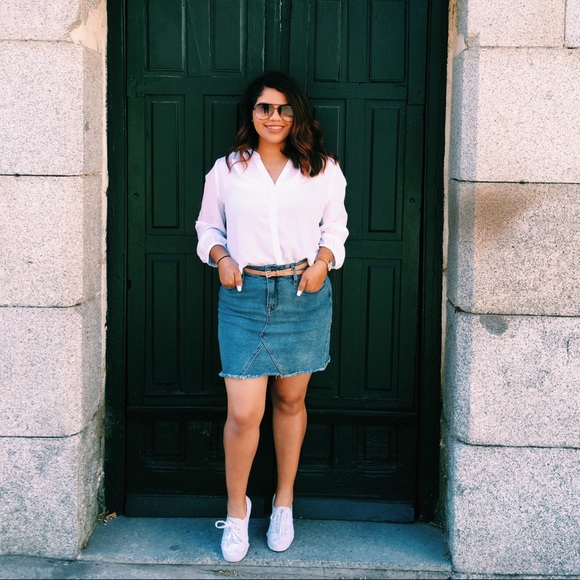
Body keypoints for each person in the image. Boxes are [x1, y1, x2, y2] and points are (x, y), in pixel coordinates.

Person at [195, 70, 348, 563]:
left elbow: (336, 227)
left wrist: (323, 263)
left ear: (297, 114)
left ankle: (283, 503)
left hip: (302, 295)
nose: (274, 117)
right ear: (252, 113)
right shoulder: (228, 170)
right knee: (243, 414)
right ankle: (236, 511)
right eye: (265, 107)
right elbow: (207, 226)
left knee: (290, 400)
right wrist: (221, 257)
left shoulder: (323, 169)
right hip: (244, 297)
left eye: (284, 108)